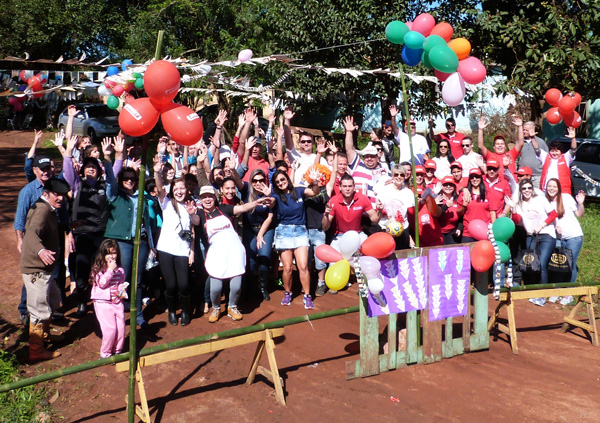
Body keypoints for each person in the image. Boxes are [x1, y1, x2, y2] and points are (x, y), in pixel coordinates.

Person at [63, 135, 120, 317]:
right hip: (82, 234)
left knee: (99, 269)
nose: (90, 170)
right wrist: (68, 153)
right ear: (83, 170)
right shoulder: (78, 185)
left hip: (101, 234)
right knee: (82, 269)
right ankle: (81, 301)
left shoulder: (106, 185)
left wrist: (111, 157)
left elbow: (114, 176)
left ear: (98, 170)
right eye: (87, 167)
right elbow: (67, 174)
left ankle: (97, 300)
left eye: (93, 167)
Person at [196, 186, 270, 322]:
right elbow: (195, 221)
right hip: (216, 255)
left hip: (234, 251)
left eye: (210, 196)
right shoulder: (200, 215)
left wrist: (256, 202)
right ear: (200, 199)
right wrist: (190, 214)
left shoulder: (224, 209)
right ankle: (216, 308)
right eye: (204, 197)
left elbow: (241, 208)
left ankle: (232, 307)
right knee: (215, 288)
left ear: (215, 197)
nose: (207, 199)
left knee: (236, 286)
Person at [21, 178, 70, 362]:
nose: (60, 198)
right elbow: (32, 232)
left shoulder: (47, 208)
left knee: (51, 299)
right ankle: (36, 350)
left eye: (62, 195)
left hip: (43, 268)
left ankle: (44, 336)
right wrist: (41, 250)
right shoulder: (42, 210)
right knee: (39, 308)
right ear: (45, 194)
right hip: (36, 269)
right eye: (55, 194)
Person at [104, 161, 153, 330]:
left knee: (138, 280)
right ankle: (117, 313)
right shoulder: (115, 195)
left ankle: (138, 314)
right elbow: (109, 180)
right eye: (126, 178)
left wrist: (151, 243)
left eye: (132, 178)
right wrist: (110, 158)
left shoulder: (142, 197)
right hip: (123, 242)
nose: (129, 181)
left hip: (141, 241)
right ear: (121, 180)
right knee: (122, 279)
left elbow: (146, 222)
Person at [153, 159, 200, 326]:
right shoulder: (167, 203)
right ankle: (172, 311)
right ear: (172, 190)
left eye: (182, 188)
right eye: (176, 188)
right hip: (166, 249)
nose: (179, 191)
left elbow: (195, 225)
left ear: (186, 190)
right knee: (171, 284)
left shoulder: (190, 205)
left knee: (184, 284)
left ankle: (186, 311)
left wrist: (192, 252)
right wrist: (157, 172)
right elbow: (159, 189)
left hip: (182, 250)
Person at [271, 169, 321, 308]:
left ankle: (307, 295)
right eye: (278, 182)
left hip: (300, 231)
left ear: (287, 178)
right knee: (287, 268)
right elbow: (270, 202)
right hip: (283, 231)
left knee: (303, 266)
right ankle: (288, 292)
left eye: (282, 179)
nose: (281, 183)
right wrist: (267, 196)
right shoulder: (275, 195)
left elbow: (314, 192)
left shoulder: (299, 191)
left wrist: (314, 181)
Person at [505, 179, 557, 286]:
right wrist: (513, 208)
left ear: (533, 189)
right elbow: (516, 220)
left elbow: (553, 214)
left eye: (529, 188)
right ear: (520, 191)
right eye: (524, 188)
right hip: (531, 236)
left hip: (547, 235)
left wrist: (541, 225)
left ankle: (542, 293)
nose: (527, 190)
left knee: (541, 264)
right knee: (533, 264)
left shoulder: (541, 200)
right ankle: (533, 288)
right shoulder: (519, 204)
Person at [240, 169, 275, 301]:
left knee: (264, 258)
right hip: (250, 230)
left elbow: (270, 216)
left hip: (266, 229)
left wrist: (269, 195)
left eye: (261, 180)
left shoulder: (270, 194)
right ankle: (250, 288)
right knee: (250, 260)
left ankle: (263, 288)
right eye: (255, 180)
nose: (258, 183)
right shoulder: (247, 190)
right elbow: (237, 180)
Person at [89, 239, 127, 358]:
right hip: (103, 303)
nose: (111, 256)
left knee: (120, 329)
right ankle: (105, 353)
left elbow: (120, 283)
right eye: (108, 253)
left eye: (114, 253)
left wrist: (122, 291)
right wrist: (110, 270)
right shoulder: (97, 269)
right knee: (110, 329)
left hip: (117, 302)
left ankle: (117, 351)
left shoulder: (120, 269)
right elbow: (103, 283)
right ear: (102, 254)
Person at [545, 178, 585, 283]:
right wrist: (555, 227)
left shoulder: (566, 198)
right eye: (549, 186)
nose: (551, 188)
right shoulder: (545, 201)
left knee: (570, 263)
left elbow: (580, 215)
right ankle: (558, 289)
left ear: (558, 188)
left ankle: (569, 293)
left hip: (574, 236)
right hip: (558, 237)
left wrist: (580, 203)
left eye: (554, 186)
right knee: (558, 264)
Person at [374, 165, 413, 250]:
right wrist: (382, 210)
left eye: (401, 175)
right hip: (385, 227)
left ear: (405, 176)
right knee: (385, 254)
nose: (399, 177)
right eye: (396, 174)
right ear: (392, 176)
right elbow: (378, 210)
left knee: (401, 255)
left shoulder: (408, 192)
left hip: (402, 229)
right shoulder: (385, 190)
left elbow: (411, 214)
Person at [535, 127, 577, 193]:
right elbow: (537, 150)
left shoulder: (565, 157)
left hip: (562, 191)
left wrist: (573, 138)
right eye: (552, 151)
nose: (554, 153)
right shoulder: (546, 157)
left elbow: (573, 150)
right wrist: (532, 138)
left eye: (557, 151)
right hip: (546, 190)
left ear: (561, 151)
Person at [459, 168, 497, 242]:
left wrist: (493, 230)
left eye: (477, 177)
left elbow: (493, 213)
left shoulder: (489, 193)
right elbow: (459, 213)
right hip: (468, 233)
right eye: (472, 177)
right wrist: (464, 206)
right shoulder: (465, 194)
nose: (474, 179)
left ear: (481, 178)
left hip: (485, 232)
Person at [520, 121, 548, 188]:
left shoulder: (541, 142)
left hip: (537, 175)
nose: (524, 132)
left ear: (533, 129)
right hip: (523, 175)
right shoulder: (520, 142)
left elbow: (547, 158)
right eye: (523, 130)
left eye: (526, 130)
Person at [437, 175, 464, 245]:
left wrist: (459, 228)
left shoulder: (458, 199)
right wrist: (446, 206)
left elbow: (461, 216)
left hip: (452, 232)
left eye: (451, 185)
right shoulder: (437, 198)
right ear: (441, 187)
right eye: (445, 185)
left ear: (454, 187)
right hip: (438, 232)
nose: (448, 187)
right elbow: (435, 215)